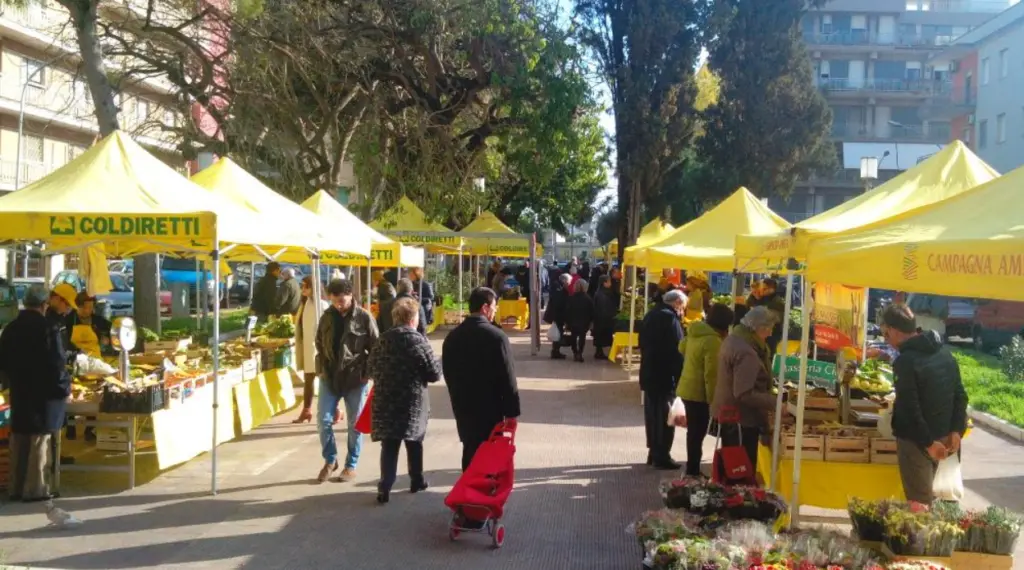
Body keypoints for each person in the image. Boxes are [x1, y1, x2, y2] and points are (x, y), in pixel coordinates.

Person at [882, 304, 968, 505]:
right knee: (938, 505)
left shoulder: (906, 362)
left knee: (920, 508)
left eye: (886, 334)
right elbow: (961, 396)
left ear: (893, 330)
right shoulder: (945, 354)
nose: (887, 339)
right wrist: (956, 431)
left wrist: (929, 444)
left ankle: (925, 537)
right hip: (946, 442)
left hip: (918, 445)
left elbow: (909, 409)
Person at [368, 297, 442, 504]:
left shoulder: (382, 340)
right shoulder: (419, 341)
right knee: (414, 441)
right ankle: (416, 480)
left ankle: (385, 486)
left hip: (385, 400)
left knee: (389, 445)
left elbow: (370, 369)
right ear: (413, 318)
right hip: (412, 402)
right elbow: (434, 374)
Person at [0, 284, 71, 502]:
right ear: (44, 304)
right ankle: (36, 489)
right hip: (45, 392)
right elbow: (57, 363)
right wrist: (65, 388)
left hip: (19, 390)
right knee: (39, 439)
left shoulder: (11, 328)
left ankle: (16, 487)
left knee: (20, 437)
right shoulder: (48, 328)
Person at [442, 287, 520, 471]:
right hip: (490, 407)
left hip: (463, 405)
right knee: (488, 448)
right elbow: (508, 377)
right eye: (494, 306)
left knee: (470, 446)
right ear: (485, 308)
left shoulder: (453, 337)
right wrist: (512, 412)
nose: (495, 311)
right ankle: (483, 489)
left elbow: (447, 372)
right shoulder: (497, 337)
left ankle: (469, 487)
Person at [314, 279, 379, 483]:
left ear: (351, 295)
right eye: (335, 300)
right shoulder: (326, 317)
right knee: (323, 420)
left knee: (355, 424)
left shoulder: (364, 317)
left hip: (355, 378)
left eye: (342, 299)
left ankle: (351, 465)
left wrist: (367, 374)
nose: (339, 303)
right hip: (329, 376)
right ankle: (330, 460)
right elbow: (318, 344)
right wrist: (321, 371)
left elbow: (376, 347)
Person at [712, 306, 780, 471]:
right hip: (741, 419)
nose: (770, 333)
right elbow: (744, 393)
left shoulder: (734, 339)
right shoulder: (747, 352)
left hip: (729, 414)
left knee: (732, 465)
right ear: (758, 328)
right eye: (769, 329)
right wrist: (775, 403)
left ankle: (730, 493)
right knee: (741, 469)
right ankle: (739, 495)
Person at [677, 303, 735, 477]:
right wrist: (714, 401)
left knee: (693, 432)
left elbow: (681, 348)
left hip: (687, 387)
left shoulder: (695, 332)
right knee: (697, 433)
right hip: (699, 393)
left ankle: (692, 467)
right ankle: (693, 469)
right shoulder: (713, 341)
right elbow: (712, 375)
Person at [639, 289, 687, 469]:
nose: (683, 310)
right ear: (677, 303)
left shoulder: (651, 314)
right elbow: (677, 351)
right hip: (664, 374)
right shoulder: (670, 319)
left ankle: (653, 452)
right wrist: (680, 375)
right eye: (683, 306)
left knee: (652, 415)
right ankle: (661, 455)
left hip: (649, 371)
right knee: (665, 417)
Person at [293, 276, 330, 424]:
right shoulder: (305, 303)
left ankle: (334, 410)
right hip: (307, 347)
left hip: (318, 348)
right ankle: (306, 410)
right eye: (302, 286)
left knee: (323, 380)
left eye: (305, 286)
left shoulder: (322, 305)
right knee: (308, 380)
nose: (303, 289)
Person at [746, 278, 786, 359]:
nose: (762, 291)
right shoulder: (761, 298)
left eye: (765, 289)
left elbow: (776, 318)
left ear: (772, 289)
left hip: (772, 334)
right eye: (762, 288)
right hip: (759, 332)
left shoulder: (777, 301)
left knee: (768, 354)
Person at [66, 292, 112, 358]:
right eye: (84, 307)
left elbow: (113, 330)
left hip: (95, 359)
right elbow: (63, 341)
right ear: (77, 306)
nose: (87, 311)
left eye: (90, 307)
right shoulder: (69, 320)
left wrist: (108, 339)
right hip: (76, 358)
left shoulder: (97, 320)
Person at [543, 273, 573, 360]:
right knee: (558, 333)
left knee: (558, 333)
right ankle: (555, 352)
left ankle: (556, 351)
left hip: (558, 315)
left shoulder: (558, 287)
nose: (569, 284)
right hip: (558, 315)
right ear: (565, 281)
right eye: (569, 282)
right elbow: (560, 303)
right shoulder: (559, 289)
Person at [565, 279, 594, 362]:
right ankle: (580, 353)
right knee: (582, 338)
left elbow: (567, 311)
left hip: (572, 322)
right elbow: (592, 311)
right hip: (584, 322)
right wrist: (591, 321)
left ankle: (575, 352)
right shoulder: (588, 298)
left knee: (573, 337)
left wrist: (567, 322)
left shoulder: (571, 298)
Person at [592, 275, 618, 360]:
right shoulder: (602, 294)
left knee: (600, 336)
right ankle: (599, 352)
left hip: (601, 319)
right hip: (602, 319)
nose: (610, 283)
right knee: (601, 336)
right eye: (609, 281)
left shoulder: (602, 292)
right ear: (604, 283)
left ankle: (599, 352)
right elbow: (603, 308)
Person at [47, 283, 77, 352]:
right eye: (67, 304)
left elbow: (65, 342)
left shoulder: (61, 318)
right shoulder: (45, 318)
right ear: (56, 298)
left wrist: (77, 350)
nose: (69, 308)